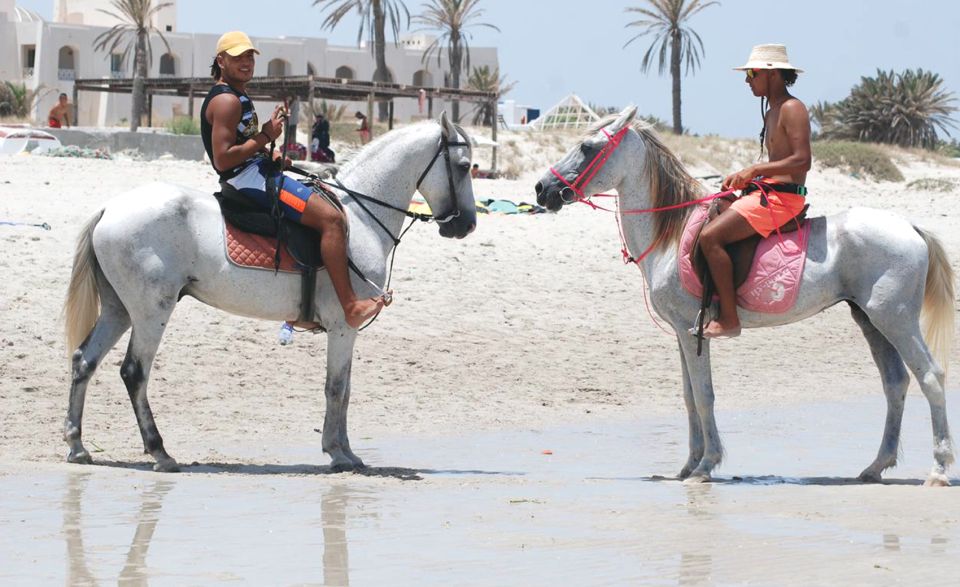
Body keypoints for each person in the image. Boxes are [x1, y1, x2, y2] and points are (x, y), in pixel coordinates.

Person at [200, 31, 387, 329]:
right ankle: (350, 305)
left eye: (249, 56)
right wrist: (266, 136)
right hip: (245, 179)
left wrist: (266, 151)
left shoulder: (236, 94)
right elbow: (223, 159)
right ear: (221, 61)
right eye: (238, 57)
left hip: (254, 169)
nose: (246, 62)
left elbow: (241, 141)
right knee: (331, 219)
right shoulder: (227, 101)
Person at [697, 44, 811, 339]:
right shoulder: (771, 111)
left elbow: (803, 160)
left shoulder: (792, 108)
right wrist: (744, 177)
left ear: (771, 74)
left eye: (751, 73)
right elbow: (779, 164)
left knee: (711, 238)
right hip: (769, 193)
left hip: (784, 200)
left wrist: (756, 170)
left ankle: (730, 319)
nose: (747, 80)